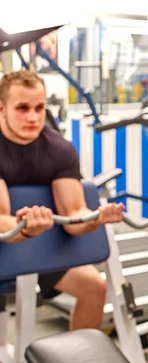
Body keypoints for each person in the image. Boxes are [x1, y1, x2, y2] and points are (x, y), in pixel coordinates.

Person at [0, 70, 124, 330]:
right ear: (2, 108)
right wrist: (26, 227)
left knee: (94, 287)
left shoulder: (59, 149)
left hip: (38, 241)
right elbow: (3, 223)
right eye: (22, 108)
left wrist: (95, 219)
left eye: (39, 107)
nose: (33, 117)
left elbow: (73, 216)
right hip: (8, 240)